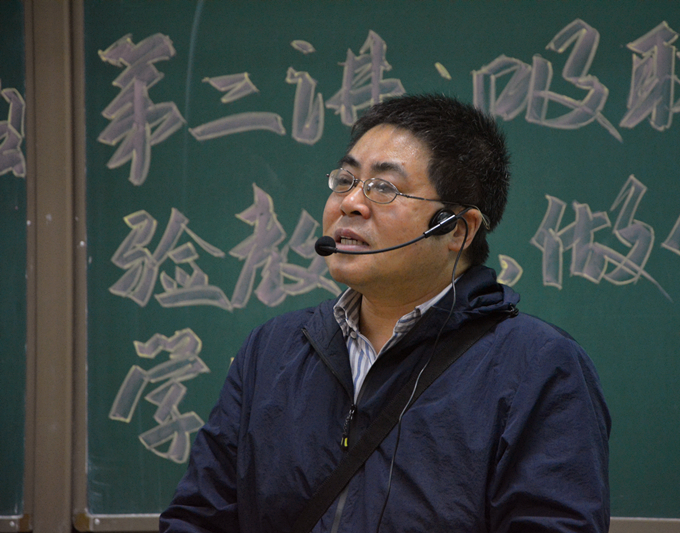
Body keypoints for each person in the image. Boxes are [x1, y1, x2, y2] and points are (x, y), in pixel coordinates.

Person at [160, 94, 611, 533]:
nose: (350, 203)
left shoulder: (538, 366)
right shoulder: (272, 349)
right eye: (345, 180)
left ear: (456, 230)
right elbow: (198, 517)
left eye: (383, 188)